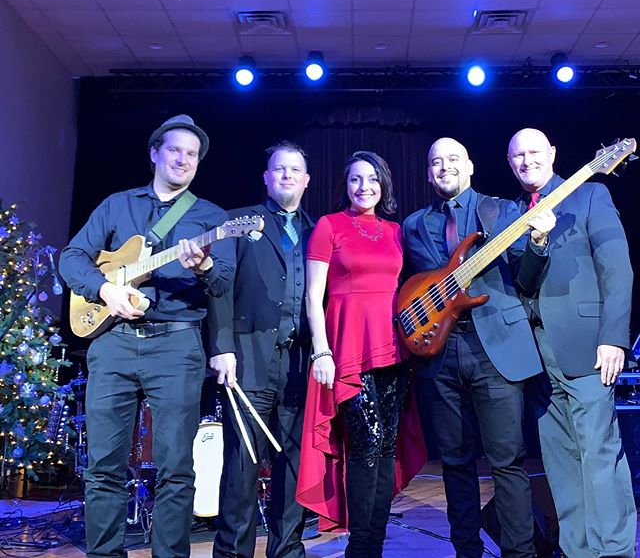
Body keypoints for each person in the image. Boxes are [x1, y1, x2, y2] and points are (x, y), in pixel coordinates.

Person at [59, 114, 236, 558]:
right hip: (113, 341)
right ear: (155, 153)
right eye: (175, 150)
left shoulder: (212, 217)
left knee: (177, 468)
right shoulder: (118, 206)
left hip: (177, 345)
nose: (183, 159)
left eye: (192, 154)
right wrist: (102, 288)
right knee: (103, 467)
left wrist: (206, 266)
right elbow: (72, 257)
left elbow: (225, 285)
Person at [402, 137, 555, 558]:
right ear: (428, 172)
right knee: (455, 462)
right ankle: (465, 550)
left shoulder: (502, 210)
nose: (444, 166)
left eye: (453, 159)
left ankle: (519, 553)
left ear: (470, 166)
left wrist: (539, 244)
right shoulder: (412, 224)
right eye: (436, 161)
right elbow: (411, 288)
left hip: (495, 349)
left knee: (507, 461)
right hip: (440, 352)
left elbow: (527, 279)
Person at [507, 128, 637, 558]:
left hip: (588, 347)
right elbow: (524, 284)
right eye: (518, 156)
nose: (527, 161)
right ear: (510, 163)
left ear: (553, 154)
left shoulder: (590, 194)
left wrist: (614, 338)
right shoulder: (515, 216)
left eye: (534, 152)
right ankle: (578, 551)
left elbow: (618, 269)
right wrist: (537, 241)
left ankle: (614, 551)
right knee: (561, 462)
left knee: (599, 455)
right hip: (539, 357)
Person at [295, 151, 427, 557]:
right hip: (347, 349)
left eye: (371, 179)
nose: (363, 187)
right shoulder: (328, 226)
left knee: (386, 447)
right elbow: (312, 296)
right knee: (367, 445)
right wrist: (321, 352)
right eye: (355, 179)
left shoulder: (394, 231)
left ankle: (374, 544)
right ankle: (360, 548)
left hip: (393, 349)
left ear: (383, 184)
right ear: (345, 185)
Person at [208, 140, 314, 558]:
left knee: (292, 464)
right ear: (266, 177)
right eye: (279, 169)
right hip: (247, 359)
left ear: (306, 180)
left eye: (294, 170)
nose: (286, 176)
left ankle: (287, 550)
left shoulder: (318, 230)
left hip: (299, 363)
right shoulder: (238, 222)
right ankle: (233, 553)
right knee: (241, 466)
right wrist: (221, 347)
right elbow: (219, 288)